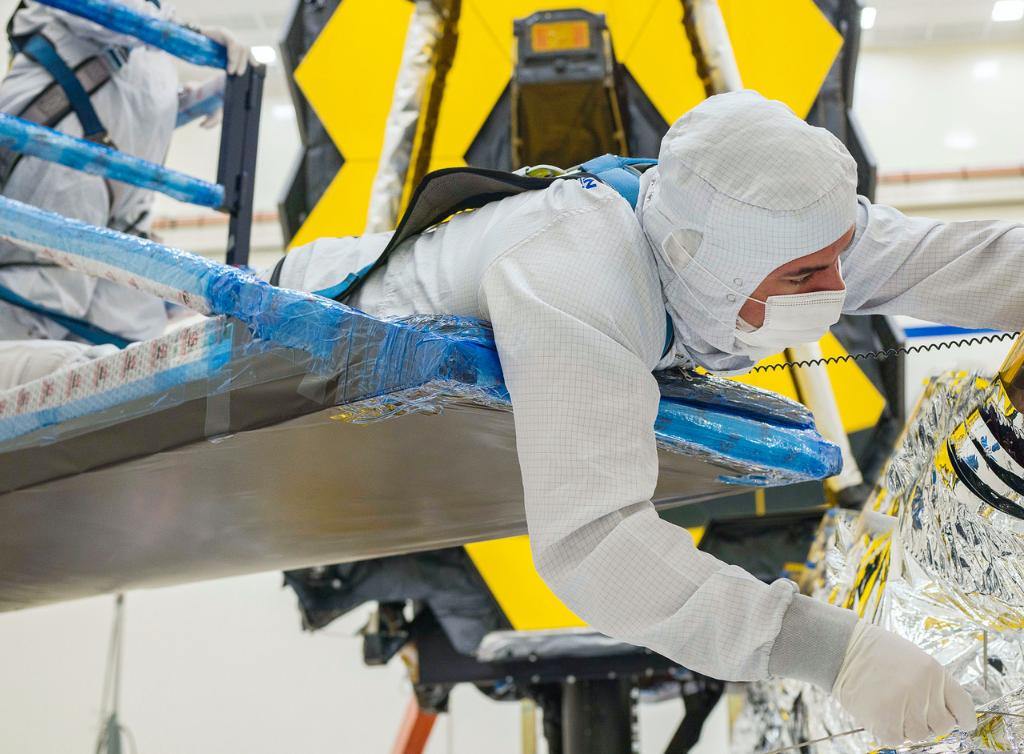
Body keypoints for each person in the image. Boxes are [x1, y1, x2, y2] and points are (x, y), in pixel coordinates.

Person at [267, 90, 1024, 746]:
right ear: (709, 264)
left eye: (838, 258)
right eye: (806, 277)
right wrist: (838, 654)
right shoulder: (577, 276)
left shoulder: (763, 234)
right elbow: (595, 547)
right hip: (304, 311)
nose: (835, 286)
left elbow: (952, 260)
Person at [0, 0, 249, 345]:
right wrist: (188, 35)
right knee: (39, 301)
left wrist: (209, 96)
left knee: (129, 329)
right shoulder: (146, 21)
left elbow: (136, 108)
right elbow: (111, 17)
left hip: (117, 192)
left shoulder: (155, 34)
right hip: (56, 161)